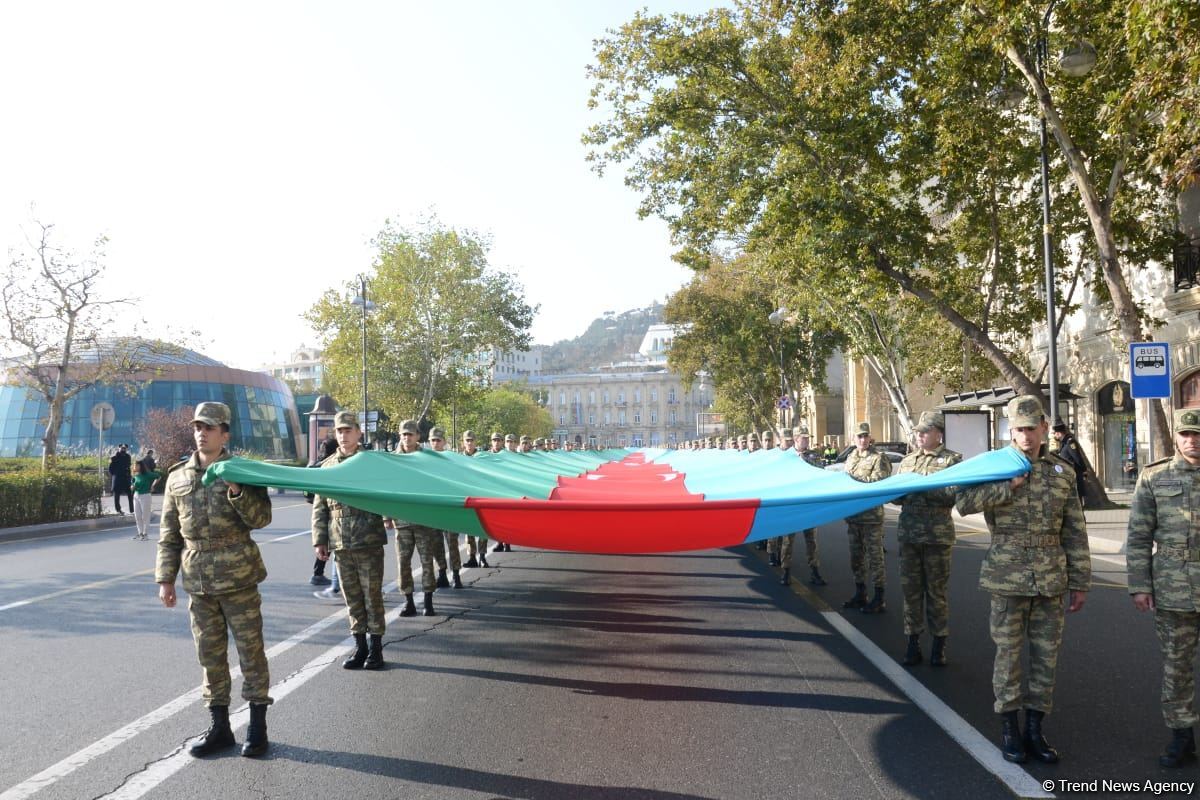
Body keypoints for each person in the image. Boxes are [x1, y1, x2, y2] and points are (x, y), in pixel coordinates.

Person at [956, 395, 1090, 765]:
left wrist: (1080, 582)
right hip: (1007, 575)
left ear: (1045, 428)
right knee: (1009, 655)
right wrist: (1008, 487)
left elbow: (1075, 531)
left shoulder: (1062, 472)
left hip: (1050, 577)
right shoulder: (997, 466)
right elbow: (963, 502)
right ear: (1009, 430)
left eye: (1032, 428)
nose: (1026, 435)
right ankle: (1010, 727)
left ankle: (1035, 726)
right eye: (1019, 428)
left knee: (1046, 658)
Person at [155, 402, 274, 758]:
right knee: (209, 656)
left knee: (251, 653)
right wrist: (166, 579)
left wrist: (237, 489)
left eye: (209, 427)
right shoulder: (178, 476)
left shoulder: (243, 471)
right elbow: (168, 534)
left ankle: (257, 726)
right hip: (199, 581)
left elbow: (261, 519)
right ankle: (220, 727)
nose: (201, 433)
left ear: (225, 433)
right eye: (197, 427)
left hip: (238, 576)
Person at [1127, 408, 1200, 768]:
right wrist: (1140, 585)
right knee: (1177, 667)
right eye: (1186, 434)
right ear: (1176, 437)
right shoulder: (1155, 476)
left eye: (1198, 435)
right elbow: (1139, 535)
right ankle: (1181, 736)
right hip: (1174, 587)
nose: (1192, 441)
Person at [312, 411, 388, 671]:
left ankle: (376, 649)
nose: (343, 435)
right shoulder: (328, 466)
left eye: (348, 430)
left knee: (372, 597)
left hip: (368, 542)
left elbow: (387, 492)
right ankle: (360, 647)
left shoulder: (371, 463)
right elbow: (320, 507)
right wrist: (319, 540)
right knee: (352, 599)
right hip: (341, 543)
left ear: (359, 433)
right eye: (339, 431)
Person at [894, 411, 962, 667]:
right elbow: (897, 497)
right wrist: (896, 490)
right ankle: (912, 641)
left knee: (936, 593)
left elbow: (952, 495)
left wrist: (921, 486)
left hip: (937, 536)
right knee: (910, 591)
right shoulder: (908, 460)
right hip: (909, 535)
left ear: (938, 433)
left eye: (925, 431)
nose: (920, 435)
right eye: (918, 431)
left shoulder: (952, 461)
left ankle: (938, 644)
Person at [388, 419, 437, 617]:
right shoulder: (392, 459)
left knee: (427, 561)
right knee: (403, 563)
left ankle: (428, 601)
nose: (407, 438)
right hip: (401, 521)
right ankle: (408, 601)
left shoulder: (427, 458)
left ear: (418, 436)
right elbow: (386, 489)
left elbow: (435, 486)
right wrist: (386, 516)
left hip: (423, 519)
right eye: (403, 434)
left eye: (410, 434)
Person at [843, 422, 892, 613]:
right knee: (856, 558)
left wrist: (855, 481)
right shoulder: (851, 457)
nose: (863, 440)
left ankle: (879, 598)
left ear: (870, 438)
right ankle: (860, 593)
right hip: (854, 517)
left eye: (866, 436)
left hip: (871, 518)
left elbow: (880, 483)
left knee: (875, 559)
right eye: (859, 437)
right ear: (853, 439)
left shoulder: (878, 458)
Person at [771, 427, 826, 586]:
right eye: (804, 438)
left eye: (808, 438)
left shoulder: (813, 455)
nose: (807, 440)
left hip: (809, 505)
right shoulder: (785, 458)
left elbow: (820, 475)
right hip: (792, 506)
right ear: (795, 439)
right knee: (788, 541)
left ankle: (815, 572)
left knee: (812, 541)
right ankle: (786, 571)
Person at [427, 426, 462, 588]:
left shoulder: (451, 459)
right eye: (432, 440)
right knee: (436, 544)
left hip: (449, 509)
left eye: (438, 440)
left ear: (444, 442)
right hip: (434, 510)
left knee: (452, 543)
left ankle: (456, 574)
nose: (435, 443)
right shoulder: (424, 459)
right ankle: (442, 572)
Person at [309, 437, 339, 586]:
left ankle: (319, 573)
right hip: (330, 510)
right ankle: (322, 575)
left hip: (321, 508)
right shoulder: (331, 466)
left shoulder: (317, 464)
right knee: (332, 542)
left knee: (326, 541)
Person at [1052, 419, 1088, 503]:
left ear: (1059, 433)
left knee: (1077, 504)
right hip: (1068, 477)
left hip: (1075, 476)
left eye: (1055, 433)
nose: (1054, 435)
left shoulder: (1070, 442)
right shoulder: (1063, 443)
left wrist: (1084, 470)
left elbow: (1077, 458)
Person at [130, 460, 162, 540]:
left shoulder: (147, 474)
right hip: (136, 495)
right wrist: (132, 487)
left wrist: (152, 485)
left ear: (141, 466)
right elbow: (133, 484)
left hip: (145, 495)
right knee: (137, 515)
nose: (135, 467)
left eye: (137, 465)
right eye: (134, 466)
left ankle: (145, 534)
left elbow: (158, 477)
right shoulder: (135, 475)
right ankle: (140, 533)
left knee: (145, 515)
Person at [108, 444, 133, 514]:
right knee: (117, 495)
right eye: (122, 448)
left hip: (126, 478)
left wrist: (129, 475)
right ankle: (118, 510)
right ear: (119, 448)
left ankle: (132, 510)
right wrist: (115, 474)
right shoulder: (113, 457)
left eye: (124, 448)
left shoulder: (128, 457)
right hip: (117, 479)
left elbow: (129, 466)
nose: (123, 449)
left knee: (130, 494)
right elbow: (110, 469)